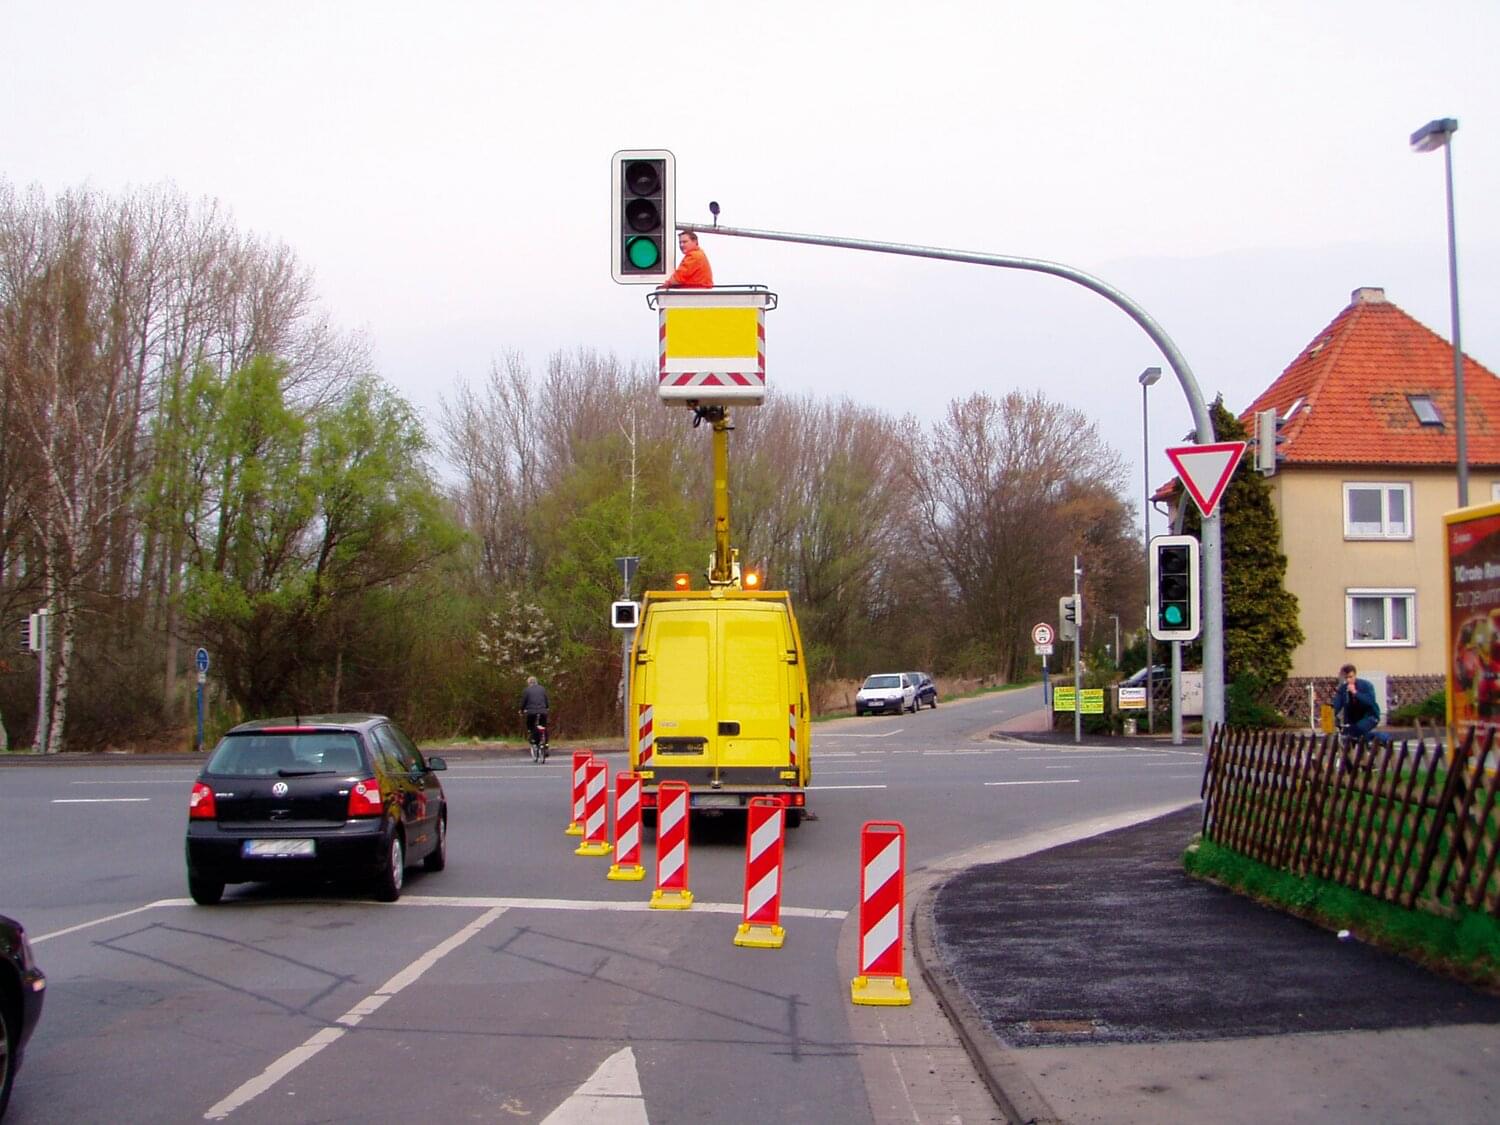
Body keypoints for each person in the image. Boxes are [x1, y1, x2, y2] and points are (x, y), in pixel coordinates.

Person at [1332, 663, 1380, 743]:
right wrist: (1330, 714)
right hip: (1353, 719)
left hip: (1369, 716)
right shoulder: (1343, 689)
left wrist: (1355, 692)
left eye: (1350, 677)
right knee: (1346, 736)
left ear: (1355, 675)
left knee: (1358, 729)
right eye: (1346, 678)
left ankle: (1379, 737)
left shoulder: (1366, 685)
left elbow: (1370, 702)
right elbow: (1337, 704)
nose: (1348, 680)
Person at [519, 675, 549, 762]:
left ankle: (533, 739)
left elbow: (523, 702)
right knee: (543, 727)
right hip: (543, 711)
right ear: (537, 682)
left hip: (531, 712)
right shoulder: (542, 689)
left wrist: (521, 710)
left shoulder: (526, 690)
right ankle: (546, 745)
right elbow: (546, 700)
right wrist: (546, 708)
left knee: (530, 725)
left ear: (529, 683)